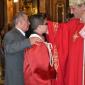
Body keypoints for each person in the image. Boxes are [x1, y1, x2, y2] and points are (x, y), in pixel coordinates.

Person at [3, 11, 43, 85]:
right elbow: (8, 48)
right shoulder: (10, 34)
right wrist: (29, 42)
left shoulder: (22, 35)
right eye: (27, 21)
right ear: (20, 22)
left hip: (22, 75)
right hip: (15, 78)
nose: (29, 23)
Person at [24, 14, 57, 85]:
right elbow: (41, 71)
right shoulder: (38, 45)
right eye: (46, 24)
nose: (48, 25)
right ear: (39, 27)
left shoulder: (36, 40)